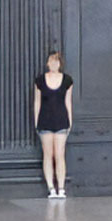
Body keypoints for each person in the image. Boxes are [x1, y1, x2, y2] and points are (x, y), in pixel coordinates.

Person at [34, 51, 73, 199]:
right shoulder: (40, 81)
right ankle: (51, 187)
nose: (54, 64)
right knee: (48, 154)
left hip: (61, 120)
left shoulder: (67, 81)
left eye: (56, 61)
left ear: (60, 64)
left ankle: (61, 187)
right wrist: (36, 121)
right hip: (45, 120)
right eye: (51, 61)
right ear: (47, 63)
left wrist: (70, 120)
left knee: (60, 154)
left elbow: (68, 102)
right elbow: (37, 102)